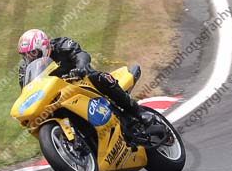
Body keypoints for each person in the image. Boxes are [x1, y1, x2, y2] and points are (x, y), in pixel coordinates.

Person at [17, 29, 151, 123]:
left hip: (79, 80)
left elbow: (80, 54)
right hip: (57, 95)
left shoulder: (60, 45)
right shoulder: (24, 68)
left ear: (43, 46)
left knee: (98, 77)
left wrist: (80, 68)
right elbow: (27, 90)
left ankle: (138, 112)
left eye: (33, 52)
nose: (29, 57)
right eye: (25, 54)